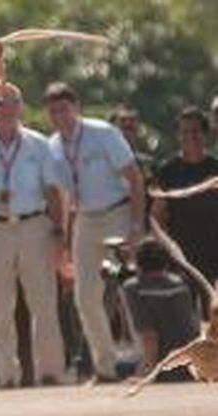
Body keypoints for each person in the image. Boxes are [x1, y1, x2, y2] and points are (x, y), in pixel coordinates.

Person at [0, 83, 66, 387]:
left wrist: (59, 231)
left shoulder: (38, 144)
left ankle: (50, 371)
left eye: (12, 103)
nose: (6, 109)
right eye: (0, 103)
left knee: (44, 302)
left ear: (21, 107)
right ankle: (7, 375)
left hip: (34, 225)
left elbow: (52, 190)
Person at [44, 82, 146, 382]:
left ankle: (145, 361)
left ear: (76, 107)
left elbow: (135, 177)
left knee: (129, 291)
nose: (59, 116)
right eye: (53, 112)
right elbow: (63, 198)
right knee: (85, 297)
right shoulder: (53, 146)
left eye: (63, 109)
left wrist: (137, 225)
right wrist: (62, 242)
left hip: (118, 212)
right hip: (86, 220)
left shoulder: (103, 133)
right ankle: (106, 366)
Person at [152, 107, 218, 285]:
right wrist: (166, 247)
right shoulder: (167, 170)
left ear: (205, 134)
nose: (190, 136)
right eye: (184, 132)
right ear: (178, 135)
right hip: (181, 253)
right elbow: (157, 214)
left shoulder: (215, 167)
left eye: (195, 131)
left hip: (213, 249)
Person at [123, 238, 198, 381]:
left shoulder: (134, 288)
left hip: (165, 367)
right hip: (191, 365)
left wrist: (148, 374)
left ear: (138, 264)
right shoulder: (180, 284)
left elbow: (149, 335)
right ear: (166, 263)